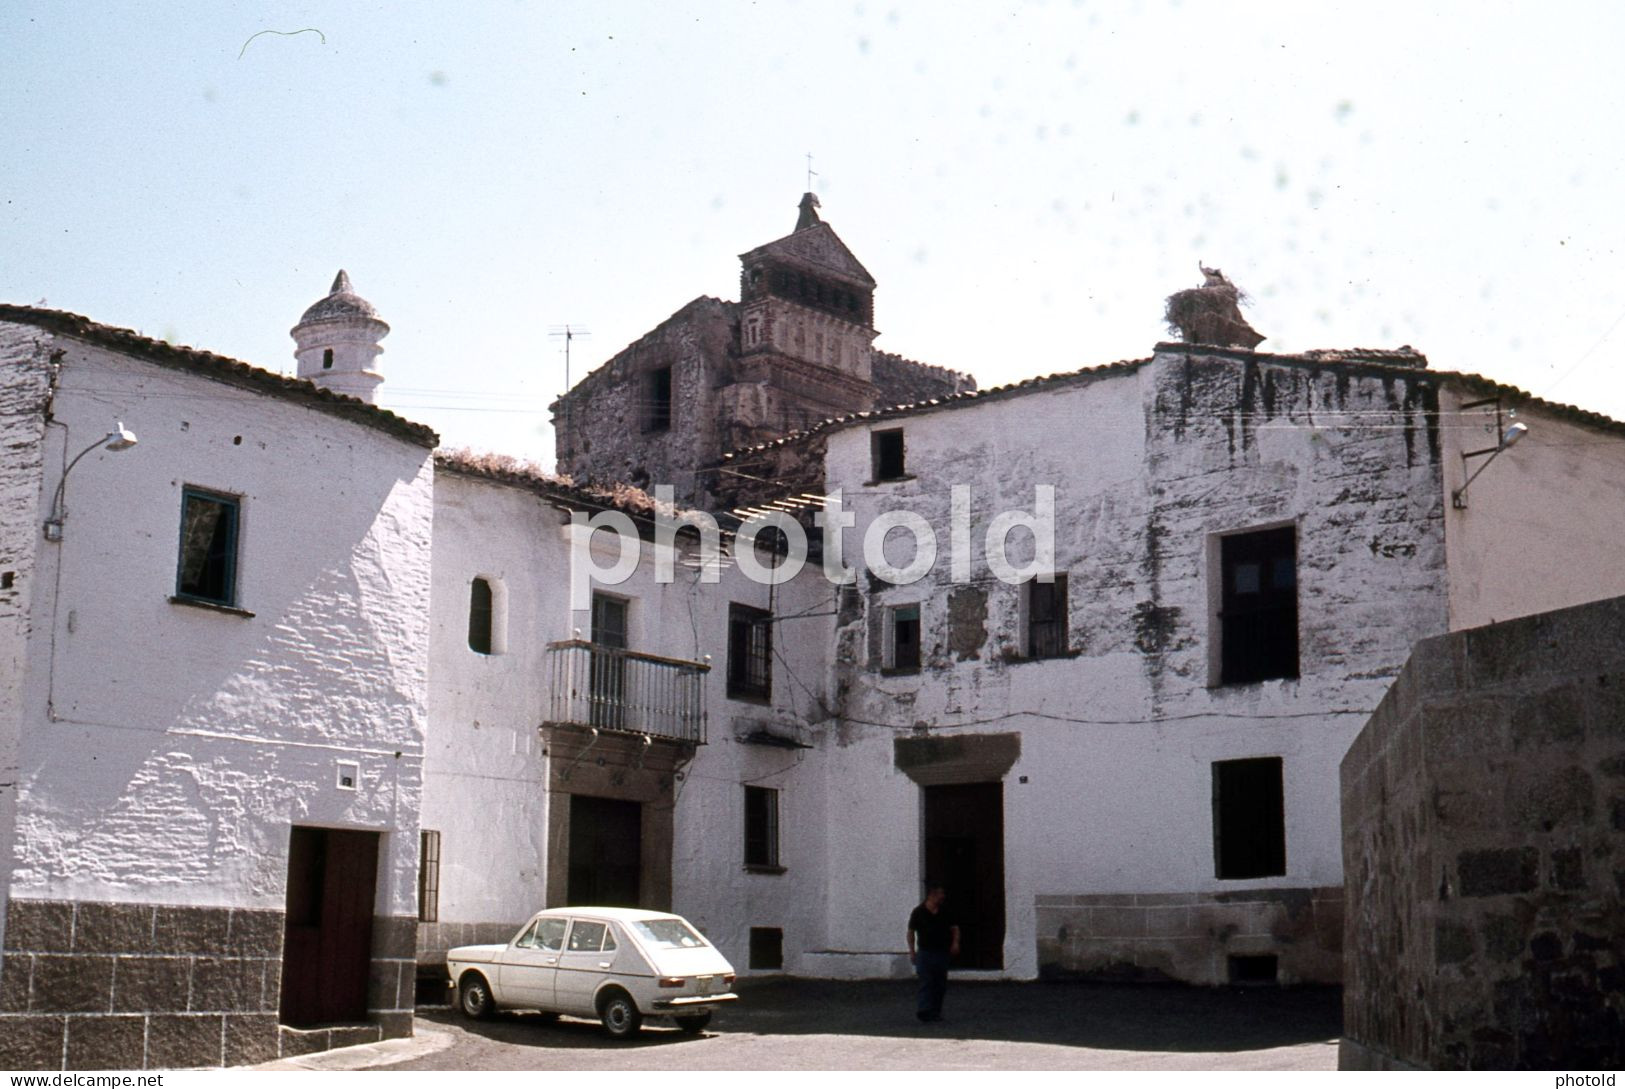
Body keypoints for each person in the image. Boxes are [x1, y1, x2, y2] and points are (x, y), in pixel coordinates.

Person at [906, 885, 959, 1022]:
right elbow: (911, 932)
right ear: (931, 895)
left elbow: (954, 929)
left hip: (942, 952)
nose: (943, 897)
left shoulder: (945, 911)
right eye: (940, 894)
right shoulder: (918, 912)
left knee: (939, 983)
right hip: (925, 952)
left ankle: (935, 1011)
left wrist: (955, 943)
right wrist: (912, 951)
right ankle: (924, 1010)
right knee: (926, 981)